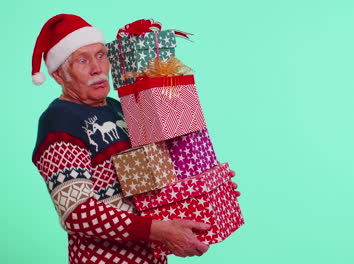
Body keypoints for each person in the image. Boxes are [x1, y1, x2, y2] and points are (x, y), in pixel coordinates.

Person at [31, 14, 239, 264]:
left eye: (100, 55)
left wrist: (204, 193)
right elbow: (76, 212)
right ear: (58, 75)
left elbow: (149, 183)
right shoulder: (59, 121)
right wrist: (160, 231)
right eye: (82, 60)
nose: (97, 68)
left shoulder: (117, 107)